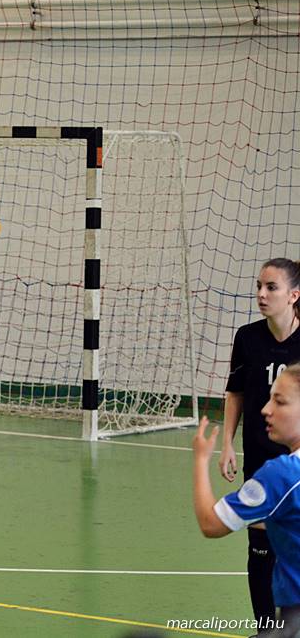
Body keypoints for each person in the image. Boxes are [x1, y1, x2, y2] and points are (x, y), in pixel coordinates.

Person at [220, 258, 300, 628]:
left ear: (294, 295)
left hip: (294, 458)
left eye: (271, 287)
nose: (262, 295)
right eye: (259, 287)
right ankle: (267, 629)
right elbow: (235, 392)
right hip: (259, 454)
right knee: (260, 547)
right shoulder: (247, 338)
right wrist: (226, 443)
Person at [193, 364, 300, 637]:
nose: (266, 409)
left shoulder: (281, 476)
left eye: (280, 401)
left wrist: (201, 460)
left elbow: (211, 523)